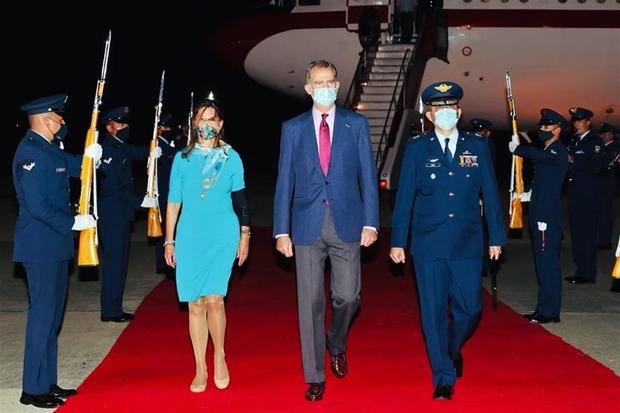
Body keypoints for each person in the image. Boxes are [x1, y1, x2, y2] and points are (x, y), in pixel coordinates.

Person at [390, 81, 505, 400]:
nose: (445, 114)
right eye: (438, 109)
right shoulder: (417, 148)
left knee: (471, 308)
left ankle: (452, 348)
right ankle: (443, 375)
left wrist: (495, 235)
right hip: (428, 245)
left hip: (467, 242)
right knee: (433, 311)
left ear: (459, 111)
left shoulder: (477, 146)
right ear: (428, 114)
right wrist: (398, 240)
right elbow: (405, 198)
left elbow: (490, 194)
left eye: (450, 108)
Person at [273, 60, 379, 402]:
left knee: (349, 296)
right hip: (305, 225)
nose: (325, 87)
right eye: (318, 82)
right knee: (310, 302)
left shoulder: (356, 124)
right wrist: (280, 230)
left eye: (330, 81)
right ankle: (315, 375)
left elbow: (368, 175)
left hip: (348, 221)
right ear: (308, 88)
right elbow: (284, 181)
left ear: (337, 84)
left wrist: (371, 221)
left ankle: (336, 341)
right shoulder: (292, 128)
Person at [13, 94, 101, 408]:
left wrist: (93, 155)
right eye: (58, 117)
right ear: (46, 119)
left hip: (55, 246)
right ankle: (32, 389)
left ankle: (47, 383)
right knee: (41, 317)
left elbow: (78, 167)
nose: (62, 122)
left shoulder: (50, 150)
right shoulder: (30, 153)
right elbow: (37, 206)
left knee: (52, 320)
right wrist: (73, 222)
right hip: (40, 247)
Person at [164, 97, 250, 393]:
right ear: (193, 123)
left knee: (215, 299)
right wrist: (168, 240)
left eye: (212, 118)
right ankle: (200, 365)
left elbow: (241, 201)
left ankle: (220, 356)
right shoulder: (181, 159)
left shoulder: (231, 157)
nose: (206, 124)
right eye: (201, 118)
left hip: (222, 234)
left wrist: (246, 235)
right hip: (190, 236)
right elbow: (174, 202)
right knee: (195, 303)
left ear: (220, 124)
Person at [97, 106, 162, 322]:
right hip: (112, 214)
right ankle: (110, 310)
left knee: (120, 262)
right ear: (109, 127)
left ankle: (114, 306)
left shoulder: (121, 146)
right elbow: (112, 186)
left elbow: (137, 152)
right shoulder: (106, 149)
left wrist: (153, 149)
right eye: (120, 124)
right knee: (114, 263)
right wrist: (140, 201)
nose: (124, 127)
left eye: (126, 124)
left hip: (121, 214)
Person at [509, 109, 569, 324]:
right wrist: (528, 195)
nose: (542, 130)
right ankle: (544, 308)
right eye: (542, 126)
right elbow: (545, 182)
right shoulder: (547, 151)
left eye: (546, 127)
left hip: (547, 217)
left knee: (548, 265)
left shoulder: (557, 151)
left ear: (557, 129)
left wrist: (519, 149)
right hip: (539, 212)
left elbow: (540, 156)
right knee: (542, 264)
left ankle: (549, 311)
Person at [565, 107, 605, 284]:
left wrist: (574, 160)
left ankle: (587, 273)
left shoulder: (594, 141)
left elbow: (597, 166)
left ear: (588, 122)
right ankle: (581, 269)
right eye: (574, 121)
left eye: (580, 121)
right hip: (575, 195)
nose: (576, 124)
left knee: (587, 235)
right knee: (577, 234)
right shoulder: (575, 141)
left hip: (588, 196)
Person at [154, 113, 178, 278]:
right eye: (165, 127)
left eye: (170, 127)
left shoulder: (169, 145)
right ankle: (162, 263)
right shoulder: (156, 147)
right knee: (162, 229)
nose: (168, 130)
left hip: (171, 192)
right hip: (162, 193)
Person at [596, 123, 619, 250]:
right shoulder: (604, 147)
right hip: (601, 186)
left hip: (606, 186)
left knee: (605, 215)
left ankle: (605, 241)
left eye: (605, 134)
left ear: (611, 135)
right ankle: (602, 239)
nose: (602, 136)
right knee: (601, 214)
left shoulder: (614, 148)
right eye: (602, 134)